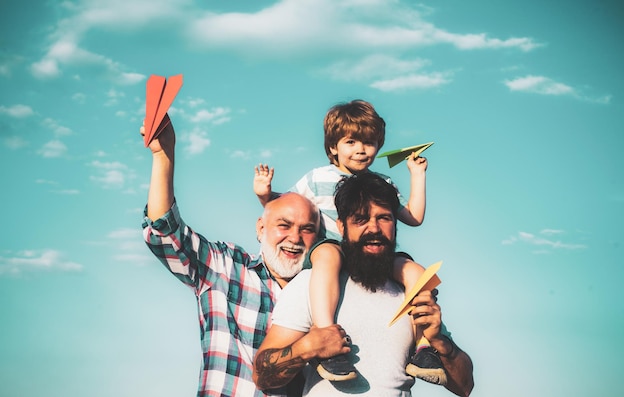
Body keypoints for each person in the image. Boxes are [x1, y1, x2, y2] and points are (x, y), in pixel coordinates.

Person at [141, 114, 347, 397]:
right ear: (261, 228)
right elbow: (165, 233)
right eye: (284, 226)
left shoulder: (325, 291)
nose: (295, 238)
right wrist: (164, 157)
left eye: (307, 229)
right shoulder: (226, 268)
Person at [253, 100, 444, 384]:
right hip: (331, 247)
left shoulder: (383, 185)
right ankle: (327, 336)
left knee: (415, 272)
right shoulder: (318, 178)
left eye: (368, 142)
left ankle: (423, 348)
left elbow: (413, 217)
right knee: (328, 258)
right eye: (351, 141)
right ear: (333, 147)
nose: (360, 149)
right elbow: (287, 205)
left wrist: (418, 175)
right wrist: (265, 195)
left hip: (371, 251)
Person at [252, 172, 474, 397]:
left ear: (396, 224)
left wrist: (440, 342)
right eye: (360, 219)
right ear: (341, 227)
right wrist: (307, 348)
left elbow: (465, 386)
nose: (374, 229)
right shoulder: (312, 285)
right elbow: (261, 376)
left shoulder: (412, 291)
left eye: (384, 218)